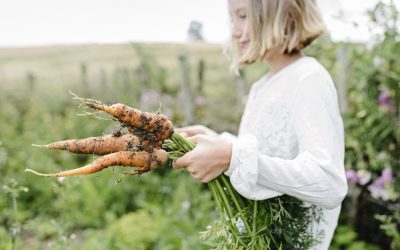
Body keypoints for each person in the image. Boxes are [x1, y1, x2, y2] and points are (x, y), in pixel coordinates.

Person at [173, 0, 348, 249]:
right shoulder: (262, 87)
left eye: (243, 16)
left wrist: (230, 156)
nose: (234, 31)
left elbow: (329, 183)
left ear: (284, 15)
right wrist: (219, 141)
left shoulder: (309, 79)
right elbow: (263, 154)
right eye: (232, 19)